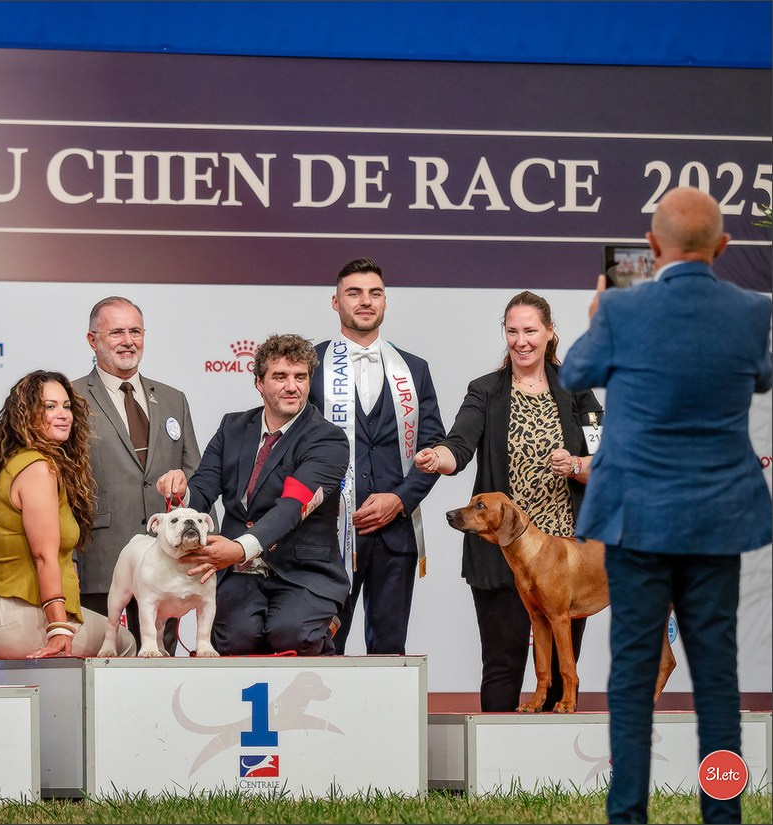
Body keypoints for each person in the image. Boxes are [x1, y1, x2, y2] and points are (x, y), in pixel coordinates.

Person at [561, 186, 772, 824]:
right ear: (724, 246)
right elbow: (762, 377)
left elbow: (573, 373)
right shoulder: (752, 310)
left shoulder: (623, 311)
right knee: (716, 678)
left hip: (635, 520)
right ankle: (723, 814)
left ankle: (627, 815)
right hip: (717, 520)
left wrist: (601, 316)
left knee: (631, 674)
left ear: (652, 248)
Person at [414, 291, 602, 712]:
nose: (521, 341)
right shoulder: (485, 391)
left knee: (561, 665)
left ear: (550, 333)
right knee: (502, 663)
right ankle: (495, 771)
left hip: (569, 554)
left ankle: (554, 770)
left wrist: (574, 463)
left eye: (531, 330)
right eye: (513, 331)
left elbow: (607, 461)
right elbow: (457, 445)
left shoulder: (577, 390)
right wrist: (437, 458)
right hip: (501, 551)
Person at [156, 334, 350, 655]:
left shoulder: (328, 439)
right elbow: (203, 488)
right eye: (280, 377)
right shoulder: (232, 427)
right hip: (239, 574)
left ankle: (320, 623)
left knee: (290, 633)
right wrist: (180, 493)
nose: (292, 386)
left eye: (300, 377)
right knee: (235, 640)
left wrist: (238, 549)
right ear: (259, 382)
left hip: (303, 573)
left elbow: (292, 506)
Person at [309, 258, 445, 654]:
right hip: (328, 534)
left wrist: (400, 499)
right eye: (354, 293)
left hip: (394, 535)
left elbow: (432, 446)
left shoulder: (414, 370)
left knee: (389, 654)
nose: (365, 301)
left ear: (385, 302)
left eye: (375, 293)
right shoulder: (309, 366)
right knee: (321, 648)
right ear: (335, 302)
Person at [0, 371, 137, 658]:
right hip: (19, 616)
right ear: (26, 414)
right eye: (49, 406)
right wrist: (58, 625)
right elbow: (43, 556)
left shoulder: (10, 461)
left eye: (67, 406)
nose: (63, 415)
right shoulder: (38, 469)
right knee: (125, 643)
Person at [73, 297, 202, 654]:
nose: (128, 340)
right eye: (116, 332)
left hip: (167, 561)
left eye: (135, 331)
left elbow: (196, 471)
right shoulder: (71, 398)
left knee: (161, 661)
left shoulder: (174, 399)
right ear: (92, 339)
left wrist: (185, 492)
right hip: (100, 557)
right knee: (102, 659)